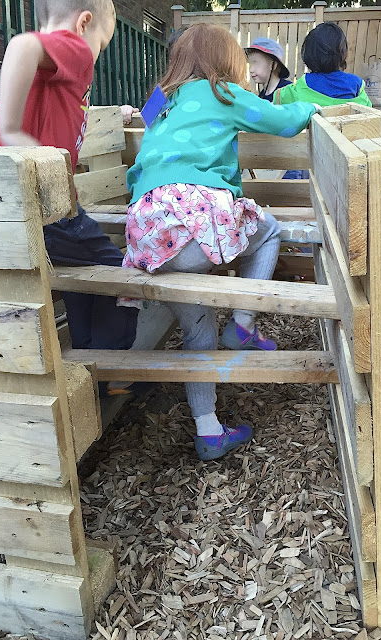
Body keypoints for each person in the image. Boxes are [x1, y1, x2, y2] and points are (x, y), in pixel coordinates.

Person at [123, 23, 319, 461]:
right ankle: (244, 325)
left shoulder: (162, 98)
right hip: (191, 226)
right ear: (225, 61)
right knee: (269, 230)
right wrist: (312, 108)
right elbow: (285, 121)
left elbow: (141, 122)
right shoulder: (222, 91)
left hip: (149, 236)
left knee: (197, 325)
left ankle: (209, 431)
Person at [0, 0, 143, 397]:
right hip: (52, 210)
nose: (96, 56)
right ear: (84, 23)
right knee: (120, 274)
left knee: (79, 273)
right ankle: (111, 368)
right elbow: (23, 45)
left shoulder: (44, 76)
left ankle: (89, 362)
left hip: (22, 212)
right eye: (103, 44)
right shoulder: (73, 48)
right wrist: (10, 131)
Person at [274, 22, 371, 107]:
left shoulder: (300, 87)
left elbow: (278, 99)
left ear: (308, 53)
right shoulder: (357, 85)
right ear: (342, 52)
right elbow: (368, 110)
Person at [245, 37, 291, 102]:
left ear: (273, 65)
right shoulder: (262, 95)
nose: (251, 70)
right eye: (250, 64)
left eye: (256, 63)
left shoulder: (287, 91)